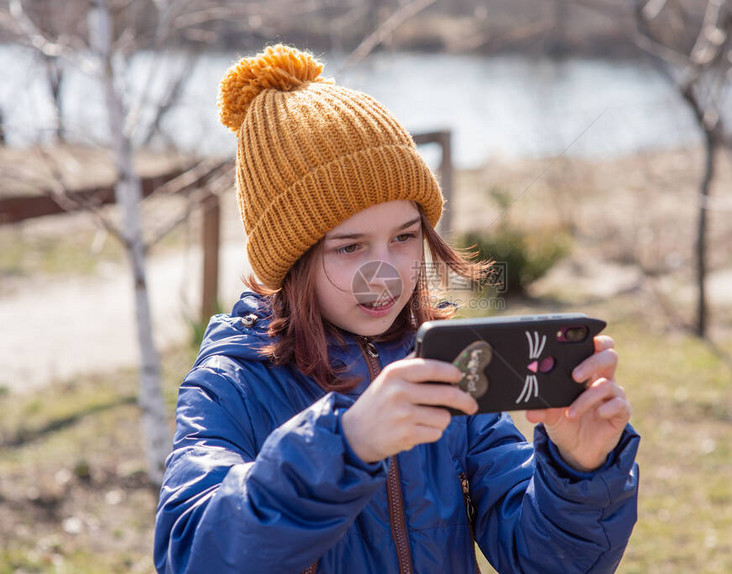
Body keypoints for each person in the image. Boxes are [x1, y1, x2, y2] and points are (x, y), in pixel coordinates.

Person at [154, 44, 639, 574]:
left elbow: (544, 560)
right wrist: (345, 444)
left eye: (405, 237)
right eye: (349, 247)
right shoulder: (231, 385)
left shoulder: (450, 369)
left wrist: (578, 470)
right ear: (289, 259)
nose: (385, 271)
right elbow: (193, 553)